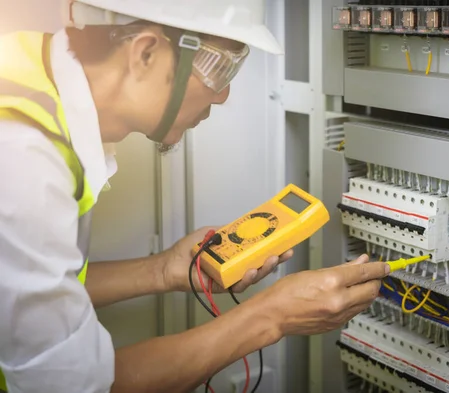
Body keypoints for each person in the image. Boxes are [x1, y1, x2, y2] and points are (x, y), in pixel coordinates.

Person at [0, 1, 390, 392]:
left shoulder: (26, 74)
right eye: (220, 68)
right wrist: (272, 316)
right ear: (145, 53)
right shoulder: (24, 161)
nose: (222, 96)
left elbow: (27, 295)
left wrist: (162, 269)